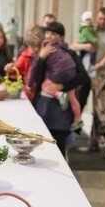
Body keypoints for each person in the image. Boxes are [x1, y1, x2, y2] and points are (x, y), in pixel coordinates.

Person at [27, 21, 82, 154]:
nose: (49, 36)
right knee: (40, 147)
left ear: (62, 37)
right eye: (47, 32)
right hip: (44, 105)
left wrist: (62, 85)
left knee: (58, 147)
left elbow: (83, 77)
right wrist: (41, 56)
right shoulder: (43, 51)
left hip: (61, 110)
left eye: (54, 33)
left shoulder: (71, 54)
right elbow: (35, 76)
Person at [72, 7, 105, 152]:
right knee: (79, 102)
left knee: (99, 108)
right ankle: (75, 134)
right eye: (100, 18)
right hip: (85, 74)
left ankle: (97, 141)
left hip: (102, 75)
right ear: (97, 18)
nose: (102, 21)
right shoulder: (89, 29)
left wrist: (100, 65)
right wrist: (85, 46)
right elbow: (73, 45)